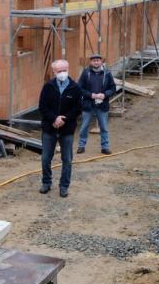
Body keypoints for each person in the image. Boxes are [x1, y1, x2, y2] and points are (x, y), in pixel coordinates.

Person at [39, 59, 83, 197]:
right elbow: (42, 107)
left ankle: (64, 186)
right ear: (54, 72)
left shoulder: (75, 88)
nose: (62, 73)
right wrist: (54, 119)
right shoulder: (48, 87)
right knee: (46, 158)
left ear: (68, 69)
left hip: (67, 129)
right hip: (49, 128)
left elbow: (78, 108)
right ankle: (46, 182)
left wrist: (64, 119)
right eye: (59, 71)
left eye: (64, 70)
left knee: (67, 159)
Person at [77, 53, 116, 154]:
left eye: (98, 60)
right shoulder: (86, 73)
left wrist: (104, 95)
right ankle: (81, 145)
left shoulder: (107, 73)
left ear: (101, 61)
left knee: (104, 127)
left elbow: (113, 88)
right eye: (94, 60)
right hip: (88, 104)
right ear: (91, 62)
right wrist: (91, 95)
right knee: (84, 126)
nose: (96, 62)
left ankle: (105, 147)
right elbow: (79, 88)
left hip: (102, 105)